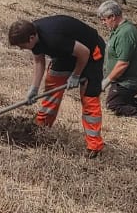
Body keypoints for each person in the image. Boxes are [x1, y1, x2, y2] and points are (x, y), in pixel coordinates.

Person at [7, 15, 107, 158]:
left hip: (91, 53)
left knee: (88, 97)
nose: (22, 49)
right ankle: (41, 126)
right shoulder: (33, 34)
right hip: (67, 53)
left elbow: (84, 52)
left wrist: (76, 75)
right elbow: (39, 62)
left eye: (22, 46)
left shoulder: (53, 38)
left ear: (31, 38)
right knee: (53, 79)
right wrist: (34, 88)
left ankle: (94, 146)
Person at [97, 0, 137, 121]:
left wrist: (106, 81)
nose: (103, 23)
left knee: (113, 105)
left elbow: (123, 63)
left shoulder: (125, 33)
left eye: (104, 19)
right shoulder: (117, 30)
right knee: (120, 100)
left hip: (129, 81)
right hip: (121, 79)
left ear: (112, 17)